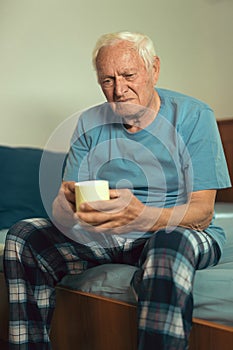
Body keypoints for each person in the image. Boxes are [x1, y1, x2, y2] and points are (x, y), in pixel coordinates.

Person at [4, 31, 231, 350]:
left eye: (128, 75)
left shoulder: (195, 116)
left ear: (154, 69)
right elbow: (63, 207)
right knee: (24, 235)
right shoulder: (89, 123)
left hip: (174, 229)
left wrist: (143, 215)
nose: (119, 89)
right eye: (107, 80)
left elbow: (203, 212)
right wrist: (66, 208)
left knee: (168, 241)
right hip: (110, 234)